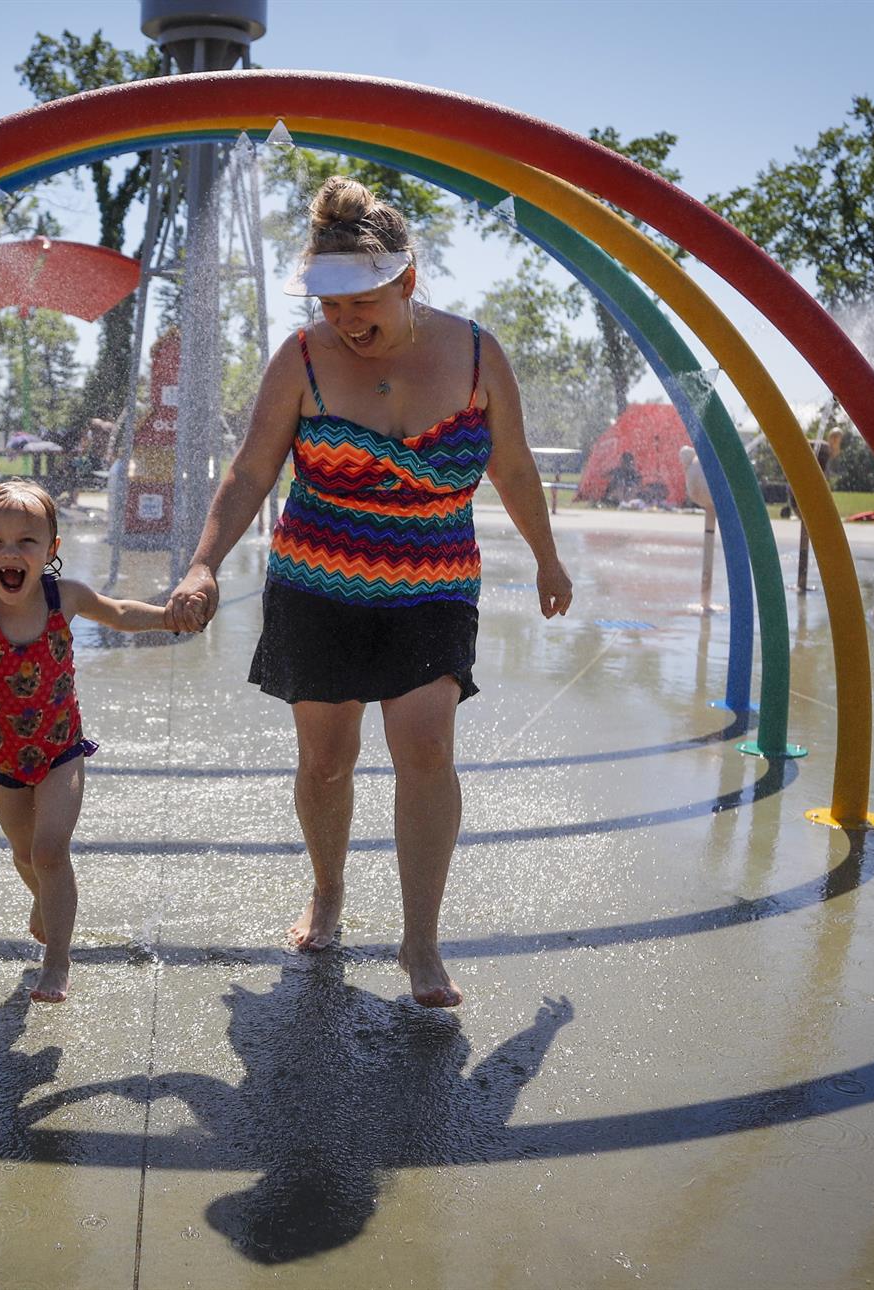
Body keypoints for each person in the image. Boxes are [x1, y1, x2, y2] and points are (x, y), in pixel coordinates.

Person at [165, 176, 574, 1008]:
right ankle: (328, 889)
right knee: (326, 761)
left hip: (434, 587)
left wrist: (548, 558)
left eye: (362, 301)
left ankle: (420, 942)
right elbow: (249, 471)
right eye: (330, 302)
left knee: (426, 750)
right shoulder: (303, 358)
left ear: (408, 282)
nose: (346, 321)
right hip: (317, 584)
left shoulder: (476, 354)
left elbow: (516, 467)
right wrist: (204, 562)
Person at [0, 480, 171, 1003]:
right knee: (24, 855)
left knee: (50, 850)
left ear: (51, 550)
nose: (10, 552)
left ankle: (56, 961)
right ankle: (43, 900)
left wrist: (167, 615)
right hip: (3, 760)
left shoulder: (65, 597)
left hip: (61, 750)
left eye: (26, 542)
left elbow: (119, 613)